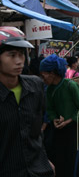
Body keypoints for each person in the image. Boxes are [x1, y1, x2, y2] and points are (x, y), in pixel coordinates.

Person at [0, 27, 54, 177]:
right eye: (11, 55)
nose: (19, 61)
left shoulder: (35, 86)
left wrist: (44, 159)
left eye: (21, 55)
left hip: (38, 170)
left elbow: (36, 132)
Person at [40, 54, 79, 177]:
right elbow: (50, 109)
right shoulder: (49, 89)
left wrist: (69, 120)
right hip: (62, 131)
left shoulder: (70, 85)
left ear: (52, 73)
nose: (42, 78)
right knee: (63, 163)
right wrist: (54, 119)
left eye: (43, 74)